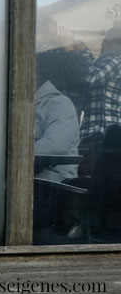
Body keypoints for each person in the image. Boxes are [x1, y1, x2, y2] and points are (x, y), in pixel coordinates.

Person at [34, 57, 81, 183]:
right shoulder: (16, 105)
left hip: (53, 181)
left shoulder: (60, 104)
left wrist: (13, 155)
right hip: (21, 173)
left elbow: (54, 146)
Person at [80, 22, 121, 155]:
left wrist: (82, 51)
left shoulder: (115, 60)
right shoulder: (106, 61)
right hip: (99, 133)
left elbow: (92, 78)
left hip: (101, 132)